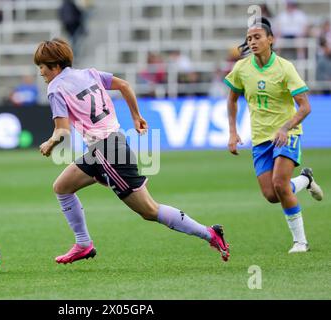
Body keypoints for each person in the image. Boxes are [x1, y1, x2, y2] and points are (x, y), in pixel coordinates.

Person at [34, 38, 230, 264]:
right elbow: (125, 85)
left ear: (55, 65)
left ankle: (210, 233)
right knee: (62, 187)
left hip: (107, 151)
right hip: (107, 145)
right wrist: (136, 116)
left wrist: (50, 143)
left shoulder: (56, 87)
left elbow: (62, 131)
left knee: (149, 210)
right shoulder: (90, 73)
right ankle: (83, 244)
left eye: (42, 66)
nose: (41, 72)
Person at [224, 17, 324, 254]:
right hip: (260, 138)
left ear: (271, 39)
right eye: (249, 38)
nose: (253, 41)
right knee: (271, 194)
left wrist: (286, 127)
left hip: (286, 133)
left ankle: (301, 242)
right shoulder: (242, 68)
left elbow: (305, 106)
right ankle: (306, 180)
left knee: (280, 183)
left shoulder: (284, 67)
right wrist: (232, 132)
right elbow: (231, 100)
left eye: (257, 37)